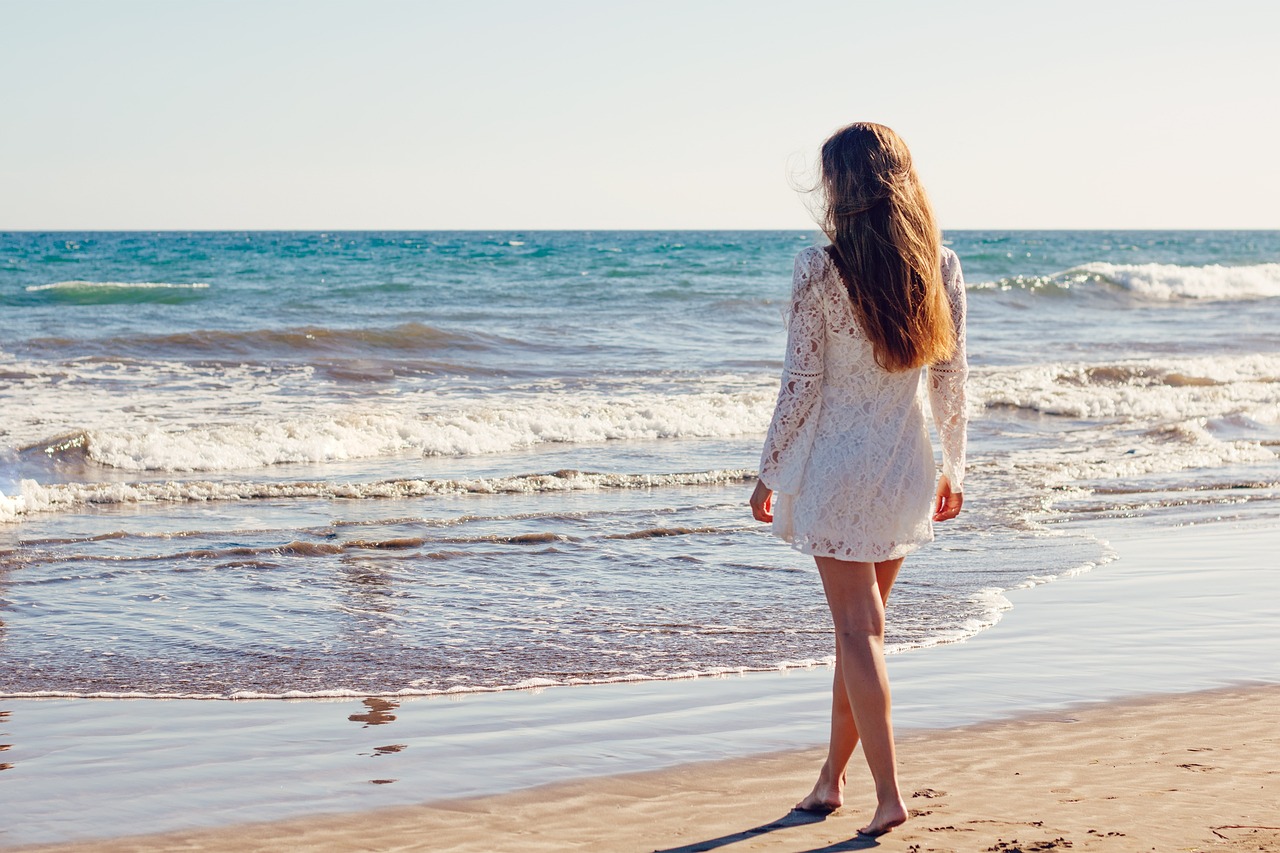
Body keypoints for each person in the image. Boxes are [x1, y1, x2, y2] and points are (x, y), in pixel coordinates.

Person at [749, 122, 968, 838]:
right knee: (862, 636)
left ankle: (889, 794)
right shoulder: (940, 266)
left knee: (857, 631)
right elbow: (950, 379)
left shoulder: (818, 269)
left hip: (837, 471)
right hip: (905, 467)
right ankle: (830, 779)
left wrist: (769, 470)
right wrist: (954, 464)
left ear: (843, 186)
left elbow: (801, 382)